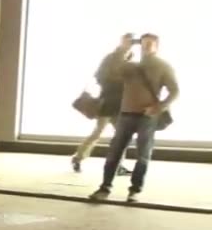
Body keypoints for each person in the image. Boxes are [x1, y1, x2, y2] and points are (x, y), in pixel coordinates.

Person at [91, 33, 179, 202]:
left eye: (150, 44)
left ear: (157, 46)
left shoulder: (163, 66)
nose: (146, 46)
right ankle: (104, 188)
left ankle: (135, 190)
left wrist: (158, 107)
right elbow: (106, 73)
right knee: (114, 152)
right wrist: (122, 49)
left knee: (143, 154)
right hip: (125, 114)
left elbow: (175, 91)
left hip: (147, 117)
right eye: (144, 43)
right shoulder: (129, 66)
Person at [72, 33, 134, 175]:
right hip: (108, 101)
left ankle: (117, 164)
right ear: (122, 42)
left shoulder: (129, 58)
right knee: (99, 133)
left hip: (120, 103)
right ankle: (78, 158)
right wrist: (118, 80)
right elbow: (100, 76)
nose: (130, 44)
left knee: (119, 135)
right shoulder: (112, 57)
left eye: (132, 42)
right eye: (127, 41)